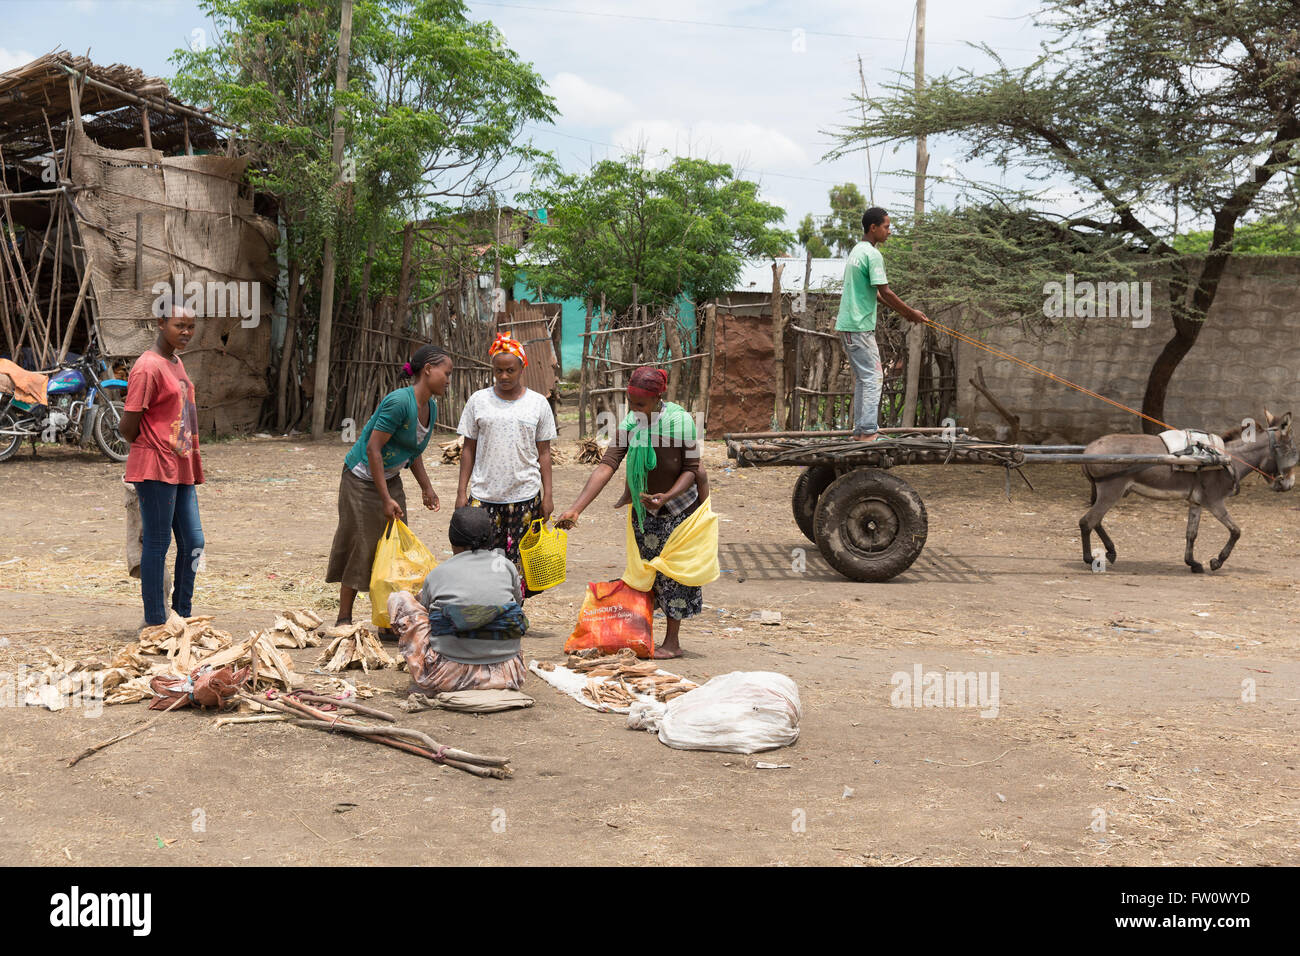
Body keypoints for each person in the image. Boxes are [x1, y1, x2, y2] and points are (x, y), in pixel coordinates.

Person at [555, 367, 714, 659]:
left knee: (674, 574)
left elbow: (693, 470)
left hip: (679, 510)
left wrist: (666, 496)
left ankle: (673, 642)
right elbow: (607, 465)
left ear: (657, 398)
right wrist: (576, 509)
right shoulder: (630, 424)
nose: (635, 409)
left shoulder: (680, 422)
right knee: (646, 572)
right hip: (645, 510)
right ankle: (642, 634)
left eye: (641, 404)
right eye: (631, 402)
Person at [326, 344, 452, 627]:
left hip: (389, 478)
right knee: (361, 543)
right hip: (360, 479)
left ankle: (388, 621)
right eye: (446, 373)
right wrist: (384, 499)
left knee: (393, 550)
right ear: (428, 370)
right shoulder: (399, 402)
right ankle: (343, 618)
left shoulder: (428, 406)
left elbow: (413, 450)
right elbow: (373, 449)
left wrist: (426, 487)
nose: (448, 380)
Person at [118, 305, 205, 628]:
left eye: (191, 327)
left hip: (181, 465)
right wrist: (156, 443)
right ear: (160, 324)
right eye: (179, 325)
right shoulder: (147, 367)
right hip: (155, 466)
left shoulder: (175, 362)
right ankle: (155, 622)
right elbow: (127, 427)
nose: (186, 332)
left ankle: (182, 615)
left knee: (194, 542)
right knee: (157, 543)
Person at [455, 331, 557, 597]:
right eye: (498, 370)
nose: (503, 376)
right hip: (483, 494)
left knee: (518, 562)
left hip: (524, 494)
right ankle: (484, 608)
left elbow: (544, 453)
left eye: (510, 370)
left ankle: (512, 612)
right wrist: (460, 492)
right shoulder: (478, 401)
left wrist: (548, 496)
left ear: (522, 367)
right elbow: (468, 448)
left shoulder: (538, 404)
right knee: (480, 558)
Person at [388, 506, 528, 692]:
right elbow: (516, 604)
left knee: (400, 599)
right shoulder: (506, 566)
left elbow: (427, 613)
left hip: (447, 676)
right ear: (490, 538)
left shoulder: (438, 574)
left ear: (453, 540)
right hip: (508, 674)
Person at [836, 206, 929, 442]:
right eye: (886, 227)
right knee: (874, 377)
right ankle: (868, 431)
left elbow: (875, 294)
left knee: (864, 378)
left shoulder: (857, 251)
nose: (889, 231)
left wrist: (905, 314)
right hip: (859, 326)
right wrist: (911, 313)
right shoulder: (873, 254)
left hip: (848, 325)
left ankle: (860, 432)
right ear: (873, 228)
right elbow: (885, 292)